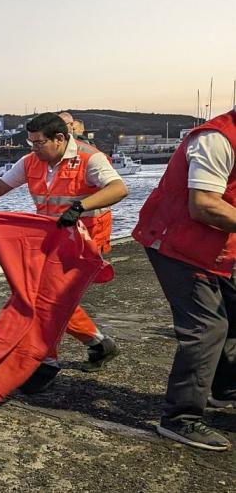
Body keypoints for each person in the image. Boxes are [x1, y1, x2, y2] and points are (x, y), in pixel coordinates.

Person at [0, 112, 127, 386]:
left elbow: (119, 189)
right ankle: (94, 344)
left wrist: (80, 207)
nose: (33, 148)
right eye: (31, 142)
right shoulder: (31, 162)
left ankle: (46, 362)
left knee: (43, 299)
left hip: (83, 240)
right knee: (45, 299)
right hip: (51, 239)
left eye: (38, 142)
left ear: (59, 139)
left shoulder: (89, 158)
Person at [132, 108, 236, 451]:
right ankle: (181, 417)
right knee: (206, 328)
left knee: (233, 313)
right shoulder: (217, 139)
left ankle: (224, 389)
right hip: (176, 242)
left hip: (216, 246)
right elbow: (204, 204)